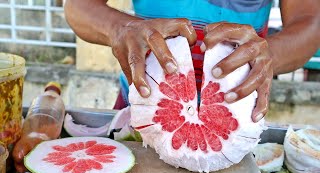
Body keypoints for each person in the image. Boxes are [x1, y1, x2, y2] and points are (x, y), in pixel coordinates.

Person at [64, 0, 320, 122]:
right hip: (141, 110)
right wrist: (120, 28)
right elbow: (77, 6)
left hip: (235, 120)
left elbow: (310, 20)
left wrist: (270, 54)